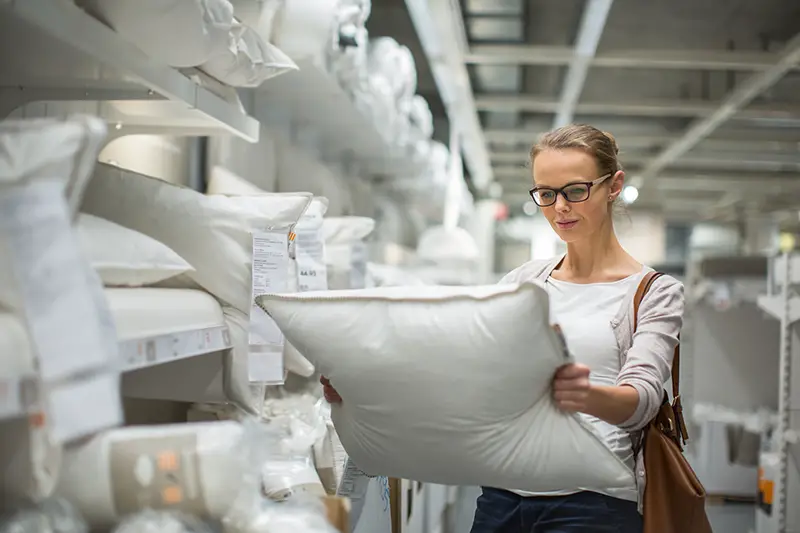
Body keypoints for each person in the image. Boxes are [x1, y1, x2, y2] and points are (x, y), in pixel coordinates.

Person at [321, 124, 684, 533]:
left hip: (593, 504)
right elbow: (465, 370)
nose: (560, 207)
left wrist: (584, 395)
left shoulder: (652, 292)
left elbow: (643, 400)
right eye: (546, 194)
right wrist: (363, 386)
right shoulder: (523, 283)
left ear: (613, 186)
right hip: (502, 500)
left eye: (575, 191)